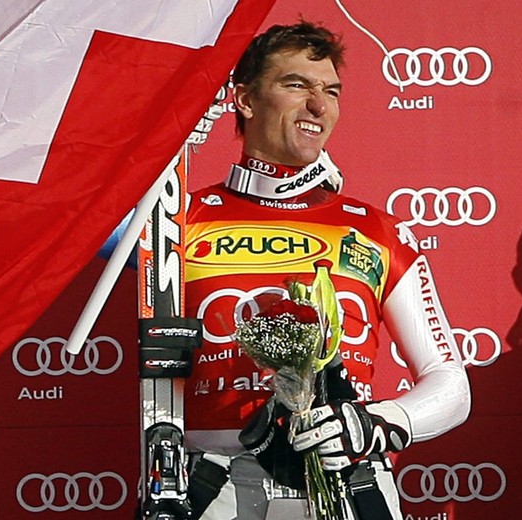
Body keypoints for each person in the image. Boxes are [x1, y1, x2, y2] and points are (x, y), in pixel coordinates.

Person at [181, 22, 471, 519]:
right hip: (216, 483)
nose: (319, 105)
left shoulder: (378, 230)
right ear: (244, 100)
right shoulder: (177, 218)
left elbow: (449, 381)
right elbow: (78, 225)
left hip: (347, 480)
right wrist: (172, 134)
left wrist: (380, 422)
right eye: (297, 85)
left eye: (330, 91)